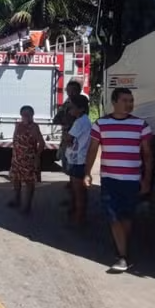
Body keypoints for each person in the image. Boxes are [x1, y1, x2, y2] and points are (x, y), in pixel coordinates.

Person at [84, 87, 152, 273]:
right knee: (113, 217)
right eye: (125, 100)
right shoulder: (101, 124)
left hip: (132, 180)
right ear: (114, 102)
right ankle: (123, 256)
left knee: (127, 217)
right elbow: (92, 150)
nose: (129, 104)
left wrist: (146, 180)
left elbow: (147, 155)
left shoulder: (141, 125)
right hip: (110, 180)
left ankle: (122, 247)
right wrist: (87, 172)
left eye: (131, 100)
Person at [9, 105, 44, 214]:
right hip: (17, 158)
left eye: (28, 115)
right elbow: (14, 139)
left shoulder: (34, 127)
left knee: (29, 182)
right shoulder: (18, 125)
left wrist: (37, 156)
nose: (26, 117)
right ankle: (17, 199)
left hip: (29, 159)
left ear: (32, 115)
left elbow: (42, 143)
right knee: (16, 179)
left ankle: (27, 205)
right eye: (24, 115)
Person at [64, 95, 92, 225]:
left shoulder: (79, 122)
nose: (70, 110)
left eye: (72, 107)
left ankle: (78, 219)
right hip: (81, 159)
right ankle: (79, 215)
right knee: (80, 192)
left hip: (78, 160)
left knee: (78, 192)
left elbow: (68, 138)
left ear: (80, 109)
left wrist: (66, 137)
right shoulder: (85, 120)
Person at [54, 80, 87, 168]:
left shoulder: (81, 101)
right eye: (68, 91)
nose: (70, 93)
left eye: (73, 90)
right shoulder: (67, 103)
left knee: (74, 164)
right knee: (66, 160)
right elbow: (56, 118)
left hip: (77, 137)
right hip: (67, 135)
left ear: (79, 91)